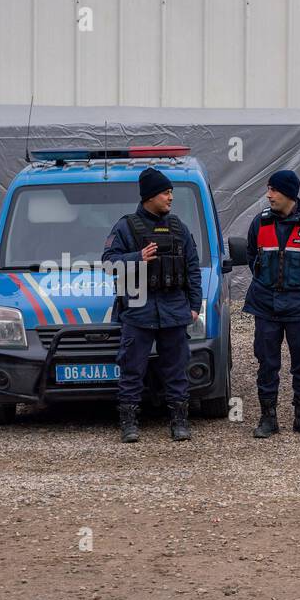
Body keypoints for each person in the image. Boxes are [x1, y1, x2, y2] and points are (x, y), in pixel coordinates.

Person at [102, 167, 201, 443]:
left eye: (171, 192)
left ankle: (180, 422)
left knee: (177, 368)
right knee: (132, 368)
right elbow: (108, 263)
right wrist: (136, 257)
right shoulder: (125, 226)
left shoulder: (179, 228)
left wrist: (195, 306)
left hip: (174, 309)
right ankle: (129, 424)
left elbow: (192, 268)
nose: (170, 198)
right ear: (149, 196)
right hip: (137, 309)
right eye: (165, 192)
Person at [243, 170, 300, 438]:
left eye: (274, 190)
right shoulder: (259, 223)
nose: (269, 195)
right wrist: (268, 284)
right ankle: (268, 418)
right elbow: (252, 257)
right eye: (268, 189)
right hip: (265, 306)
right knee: (267, 363)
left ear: (289, 194)